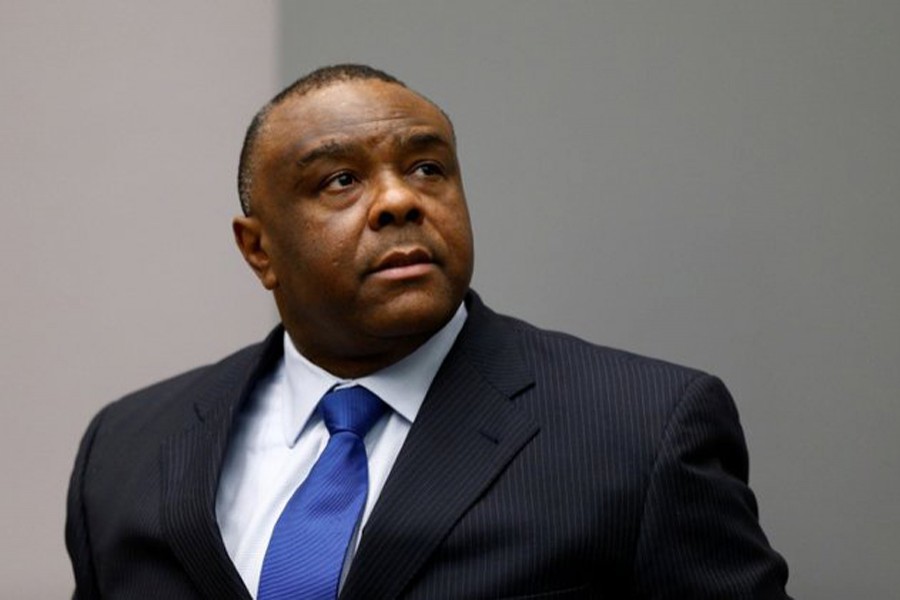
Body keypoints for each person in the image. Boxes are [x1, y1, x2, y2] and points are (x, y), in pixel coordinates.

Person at [66, 64, 791, 599]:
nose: (398, 200)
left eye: (426, 167)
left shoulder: (642, 430)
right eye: (340, 181)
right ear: (259, 250)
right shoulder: (126, 449)